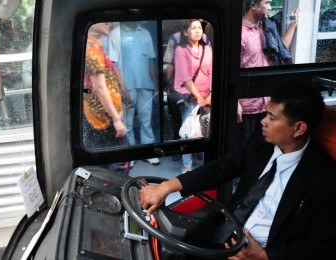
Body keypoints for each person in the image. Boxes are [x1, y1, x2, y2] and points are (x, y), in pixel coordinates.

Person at [139, 80, 336, 259]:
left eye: (272, 117)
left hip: (263, 251)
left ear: (299, 128)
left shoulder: (324, 177)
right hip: (226, 230)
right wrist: (166, 187)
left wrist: (265, 256)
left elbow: (320, 246)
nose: (263, 121)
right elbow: (221, 169)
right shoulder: (262, 143)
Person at [238, 0, 300, 146]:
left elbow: (281, 48)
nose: (270, 8)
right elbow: (232, 70)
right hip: (248, 108)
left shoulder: (266, 28)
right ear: (254, 5)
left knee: (264, 148)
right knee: (247, 149)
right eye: (267, 3)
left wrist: (293, 24)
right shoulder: (240, 33)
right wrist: (236, 103)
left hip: (268, 104)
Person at [108, 21, 160, 166]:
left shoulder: (145, 33)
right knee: (128, 123)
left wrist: (155, 85)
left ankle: (147, 153)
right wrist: (121, 87)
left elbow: (151, 60)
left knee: (146, 121)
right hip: (127, 86)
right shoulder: (116, 33)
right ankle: (130, 155)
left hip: (146, 83)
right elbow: (113, 65)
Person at [83, 22, 128, 173]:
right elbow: (100, 87)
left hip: (103, 115)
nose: (109, 23)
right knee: (117, 164)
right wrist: (116, 118)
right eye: (104, 19)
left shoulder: (94, 44)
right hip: (103, 119)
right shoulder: (91, 47)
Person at [173, 19, 212, 173]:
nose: (197, 31)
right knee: (189, 133)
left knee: (205, 130)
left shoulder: (207, 49)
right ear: (186, 32)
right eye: (193, 28)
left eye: (199, 28)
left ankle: (203, 163)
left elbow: (213, 72)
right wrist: (200, 98)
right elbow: (185, 78)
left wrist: (210, 95)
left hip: (207, 97)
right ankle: (187, 165)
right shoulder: (180, 50)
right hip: (189, 98)